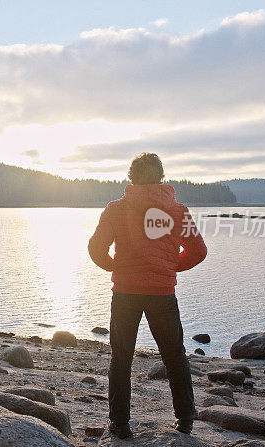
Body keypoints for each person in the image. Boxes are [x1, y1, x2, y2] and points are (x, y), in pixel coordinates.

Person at [88, 152, 207, 438]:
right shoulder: (178, 211)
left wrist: (116, 267)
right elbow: (199, 251)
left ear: (131, 177)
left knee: (121, 358)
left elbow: (95, 248)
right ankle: (186, 419)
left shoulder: (115, 209)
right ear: (161, 177)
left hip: (125, 292)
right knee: (175, 356)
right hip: (162, 292)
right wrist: (168, 267)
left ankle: (119, 423)